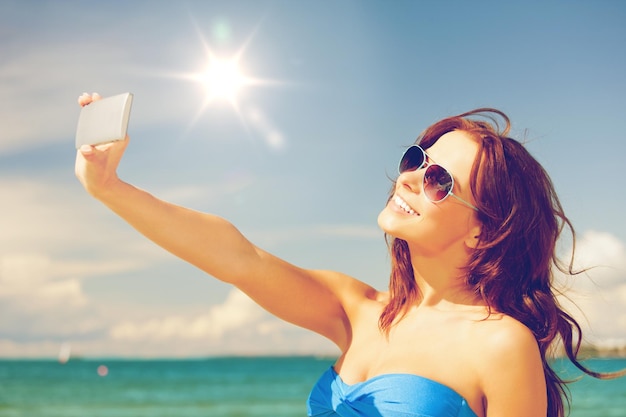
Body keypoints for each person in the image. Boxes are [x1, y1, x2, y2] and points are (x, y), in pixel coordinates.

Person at [75, 93, 623, 417]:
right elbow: (236, 257)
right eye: (416, 159)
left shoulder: (501, 344)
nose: (409, 177)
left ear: (484, 232)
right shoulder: (358, 309)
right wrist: (110, 189)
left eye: (438, 181)